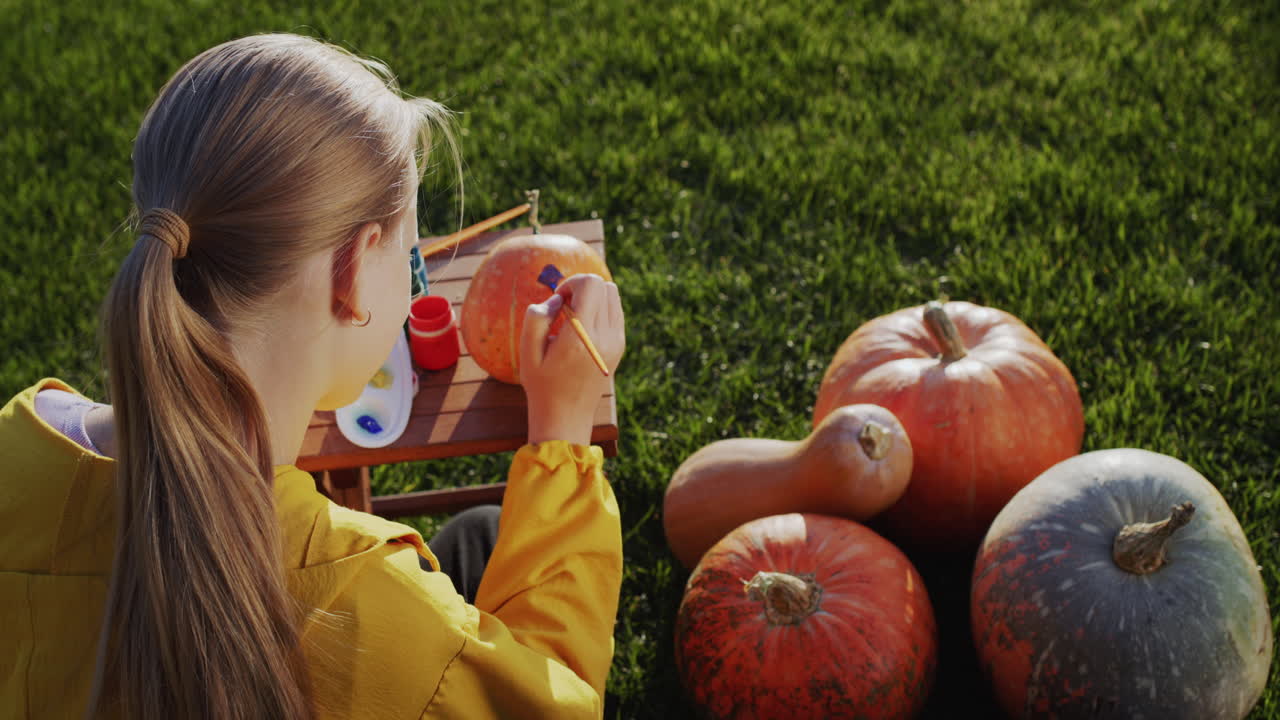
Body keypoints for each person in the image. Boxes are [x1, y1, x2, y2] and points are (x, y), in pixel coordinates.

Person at [0, 33, 625, 719]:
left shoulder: (16, 447)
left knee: (478, 534)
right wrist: (563, 434)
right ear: (352, 271)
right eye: (410, 258)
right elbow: (552, 703)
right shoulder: (373, 607)